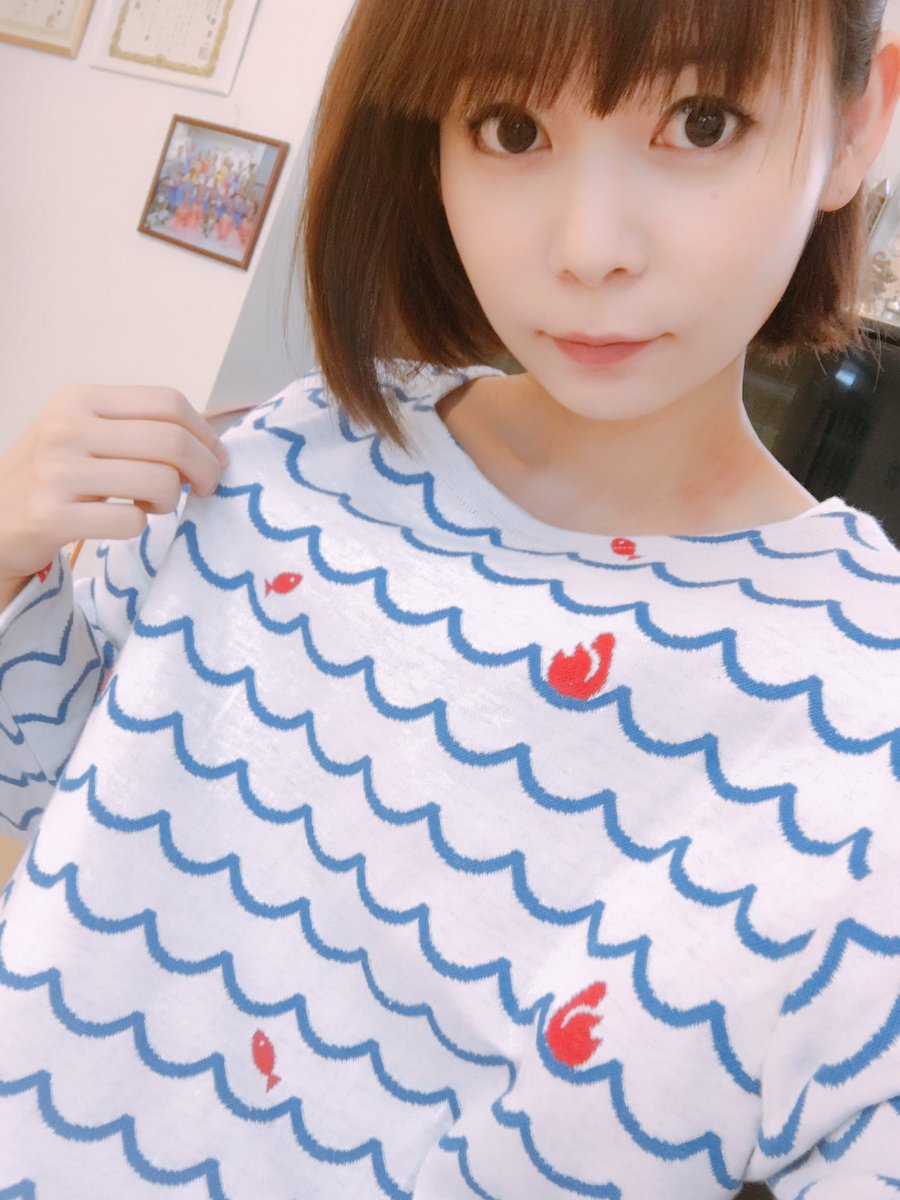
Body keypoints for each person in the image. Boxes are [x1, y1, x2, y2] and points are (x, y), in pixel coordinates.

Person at [0, 1, 899, 1195]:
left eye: (702, 121)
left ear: (857, 122)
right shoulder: (282, 457)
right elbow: (48, 783)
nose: (590, 248)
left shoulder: (861, 712)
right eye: (512, 127)